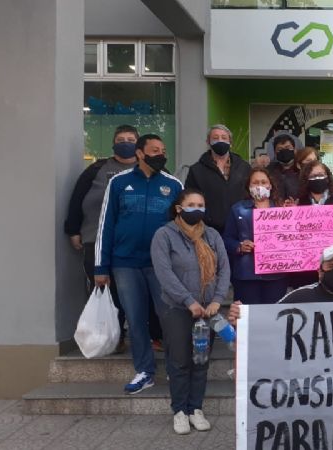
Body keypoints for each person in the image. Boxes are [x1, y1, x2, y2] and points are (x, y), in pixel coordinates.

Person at [95, 133, 183, 394]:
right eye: (155, 150)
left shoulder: (173, 184)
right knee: (135, 318)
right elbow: (105, 224)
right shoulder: (119, 183)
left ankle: (176, 367)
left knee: (169, 316)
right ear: (140, 153)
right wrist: (101, 266)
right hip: (125, 263)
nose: (161, 154)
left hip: (162, 265)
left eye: (163, 150)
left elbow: (182, 227)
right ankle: (145, 370)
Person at [150, 189, 230, 435]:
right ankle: (180, 411)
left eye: (201, 205)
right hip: (177, 309)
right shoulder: (164, 235)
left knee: (201, 361)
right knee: (179, 361)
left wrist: (218, 299)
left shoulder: (212, 235)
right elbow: (164, 273)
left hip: (208, 311)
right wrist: (188, 301)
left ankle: (196, 408)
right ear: (179, 208)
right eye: (191, 204)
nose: (197, 209)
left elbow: (224, 269)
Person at [64, 124, 138, 353]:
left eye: (130, 139)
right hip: (95, 239)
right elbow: (77, 199)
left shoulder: (145, 170)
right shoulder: (96, 169)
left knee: (129, 291)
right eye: (121, 138)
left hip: (130, 243)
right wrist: (73, 230)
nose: (125, 142)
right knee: (103, 289)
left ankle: (133, 335)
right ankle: (107, 337)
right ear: (113, 143)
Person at [222, 168, 288, 304]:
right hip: (246, 275)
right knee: (247, 317)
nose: (260, 186)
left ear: (270, 185)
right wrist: (239, 246)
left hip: (276, 276)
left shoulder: (282, 209)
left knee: (273, 317)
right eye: (255, 182)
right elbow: (226, 239)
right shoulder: (237, 209)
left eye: (263, 182)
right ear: (249, 186)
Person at [184, 124, 251, 234]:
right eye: (215, 138)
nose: (220, 141)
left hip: (241, 229)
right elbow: (189, 199)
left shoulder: (244, 167)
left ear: (231, 142)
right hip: (208, 231)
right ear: (208, 142)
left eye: (224, 138)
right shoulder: (196, 170)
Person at [266, 134, 300, 202]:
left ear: (295, 150)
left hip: (299, 210)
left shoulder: (302, 170)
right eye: (280, 149)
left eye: (288, 147)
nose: (284, 151)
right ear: (275, 153)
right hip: (275, 210)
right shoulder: (268, 171)